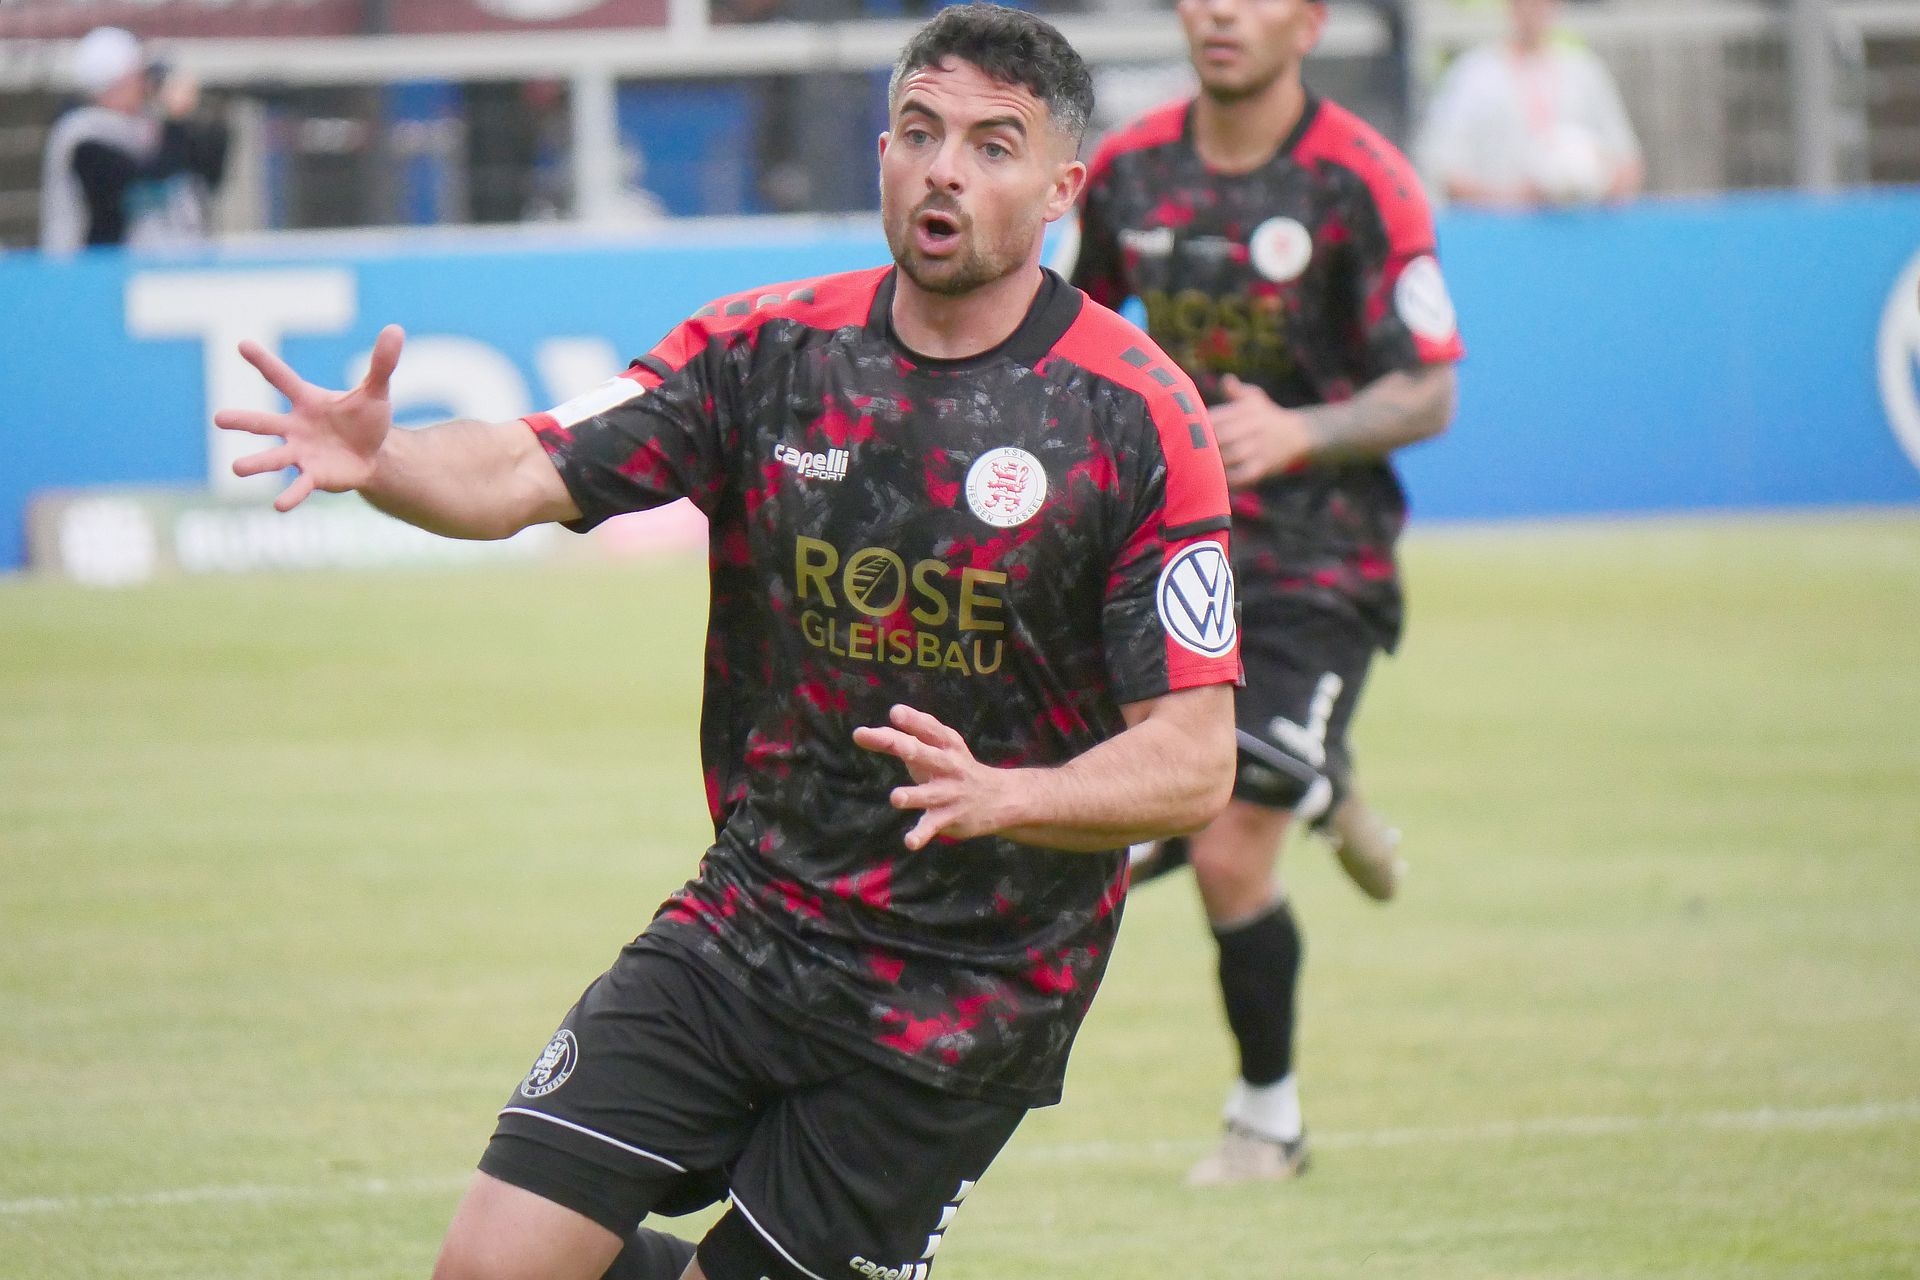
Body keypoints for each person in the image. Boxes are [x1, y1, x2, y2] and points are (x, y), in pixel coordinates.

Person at [216, 7, 1240, 1279]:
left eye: (992, 146)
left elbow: (1195, 758)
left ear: (1060, 188)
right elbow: (527, 465)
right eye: (920, 133)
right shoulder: (768, 350)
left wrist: (1010, 795)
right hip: (746, 928)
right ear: (883, 152)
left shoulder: (1136, 415)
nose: (946, 170)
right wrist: (388, 461)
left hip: (965, 998)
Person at [1065, 0, 1463, 1185]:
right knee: (1170, 825)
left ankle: (1268, 1121)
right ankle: (1311, 768)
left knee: (1225, 842)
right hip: (1171, 552)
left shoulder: (1363, 178)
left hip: (1320, 558)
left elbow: (1430, 389)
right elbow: (1074, 338)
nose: (1223, 12)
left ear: (1311, 22)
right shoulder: (1132, 171)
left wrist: (1301, 430)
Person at [1417, 0, 1642, 208]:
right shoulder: (1473, 75)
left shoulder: (1584, 71)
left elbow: (1627, 164)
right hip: (1499, 230)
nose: (1534, 8)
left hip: (1578, 229)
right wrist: (1516, 200)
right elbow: (1445, 170)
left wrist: (1584, 187)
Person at [38, 26, 230, 255]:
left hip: (164, 267)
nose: (145, 83)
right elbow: (143, 183)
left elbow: (209, 175)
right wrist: (175, 123)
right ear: (117, 81)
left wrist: (204, 119)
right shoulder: (82, 137)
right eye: (138, 74)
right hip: (95, 269)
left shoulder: (147, 124)